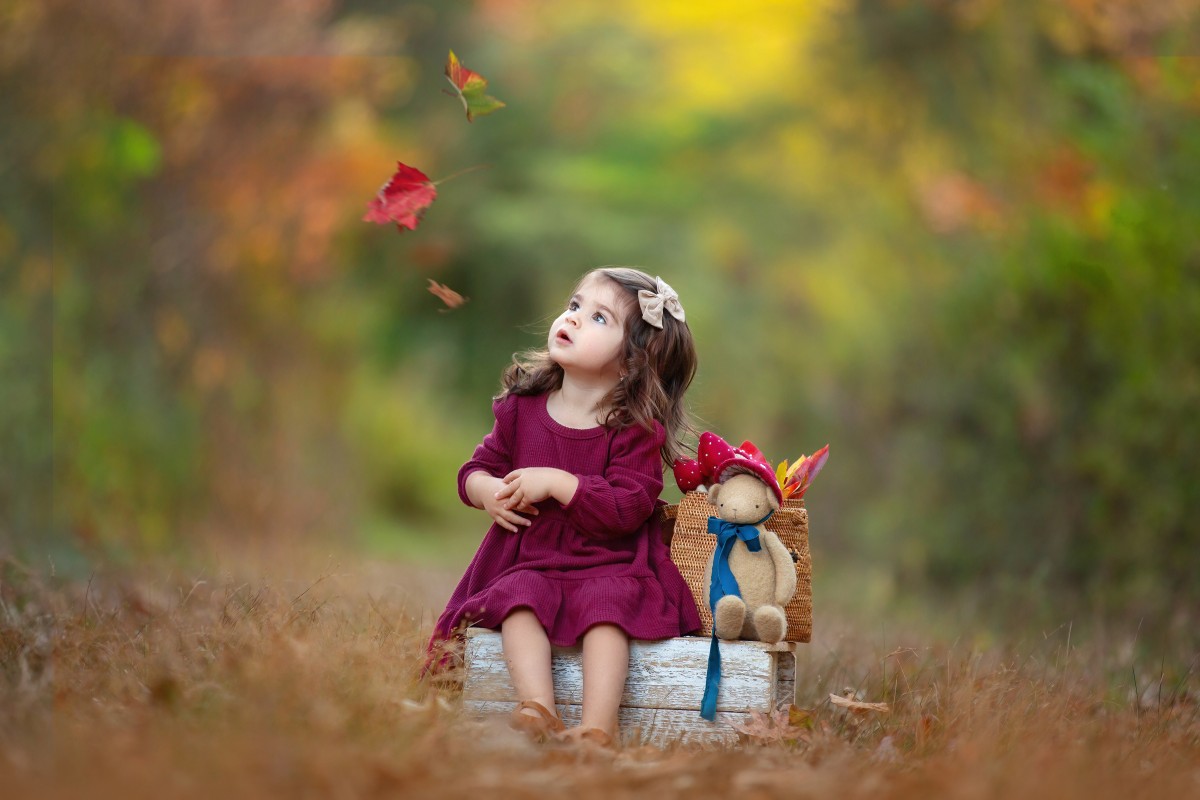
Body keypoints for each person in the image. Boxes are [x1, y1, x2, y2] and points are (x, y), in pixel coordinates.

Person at [425, 267, 702, 746]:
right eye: (575, 306)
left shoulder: (632, 428)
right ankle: (537, 707)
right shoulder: (522, 407)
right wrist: (487, 491)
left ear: (632, 362)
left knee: (606, 609)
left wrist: (559, 483)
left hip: (606, 559)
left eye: (598, 318)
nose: (572, 319)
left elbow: (628, 507)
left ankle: (597, 727)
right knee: (519, 598)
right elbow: (475, 469)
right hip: (531, 556)